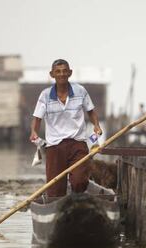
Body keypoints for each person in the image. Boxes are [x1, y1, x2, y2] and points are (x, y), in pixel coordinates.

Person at [29, 59, 102, 197]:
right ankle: (59, 204)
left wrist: (96, 125)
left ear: (70, 73)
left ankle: (76, 199)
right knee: (55, 190)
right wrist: (34, 132)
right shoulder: (45, 95)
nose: (61, 74)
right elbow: (37, 119)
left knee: (79, 181)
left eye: (64, 71)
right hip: (54, 147)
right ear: (52, 74)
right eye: (58, 71)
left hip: (78, 144)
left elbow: (91, 111)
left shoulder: (80, 91)